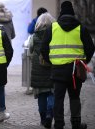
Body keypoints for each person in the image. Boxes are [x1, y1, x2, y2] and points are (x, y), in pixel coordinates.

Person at [41, 1, 95, 129]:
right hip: (76, 70)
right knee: (75, 97)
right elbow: (91, 48)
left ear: (61, 13)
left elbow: (43, 48)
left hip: (58, 69)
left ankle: (59, 124)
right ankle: (76, 124)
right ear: (73, 13)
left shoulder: (52, 28)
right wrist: (83, 62)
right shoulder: (81, 28)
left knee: (58, 98)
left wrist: (52, 61)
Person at [30, 12, 55, 128]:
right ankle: (50, 114)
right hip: (52, 67)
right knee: (52, 92)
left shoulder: (34, 36)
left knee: (41, 94)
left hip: (38, 68)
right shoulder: (55, 34)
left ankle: (43, 119)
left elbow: (30, 50)